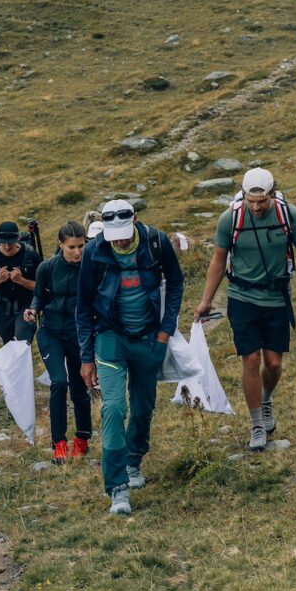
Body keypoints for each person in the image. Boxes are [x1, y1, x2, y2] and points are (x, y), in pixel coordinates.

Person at [193, 168, 296, 452]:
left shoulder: (291, 216)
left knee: (273, 363)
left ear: (273, 194)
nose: (256, 207)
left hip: (276, 296)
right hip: (242, 296)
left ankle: (265, 399)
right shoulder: (231, 219)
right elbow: (218, 260)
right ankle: (257, 425)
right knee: (250, 359)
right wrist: (206, 300)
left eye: (261, 201)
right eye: (251, 201)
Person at [76, 199, 184, 516]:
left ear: (135, 220)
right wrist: (86, 357)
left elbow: (176, 282)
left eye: (124, 233)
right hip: (110, 337)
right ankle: (117, 488)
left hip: (150, 338)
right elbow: (83, 308)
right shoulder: (94, 252)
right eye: (114, 235)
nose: (120, 240)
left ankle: (134, 458)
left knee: (142, 407)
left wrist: (166, 329)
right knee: (113, 408)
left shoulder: (155, 241)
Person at [24, 221, 92, 464]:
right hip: (51, 332)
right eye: (72, 247)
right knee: (59, 383)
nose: (77, 252)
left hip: (78, 334)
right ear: (61, 244)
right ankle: (59, 444)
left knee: (78, 385)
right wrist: (32, 310)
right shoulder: (47, 268)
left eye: (81, 246)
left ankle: (82, 439)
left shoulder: (91, 266)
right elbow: (38, 297)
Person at [0, 221, 41, 345]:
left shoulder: (31, 255)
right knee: (8, 344)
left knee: (21, 341)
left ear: (18, 238)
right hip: (2, 306)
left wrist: (21, 281)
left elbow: (43, 286)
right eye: (3, 242)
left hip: (26, 303)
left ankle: (22, 362)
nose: (7, 247)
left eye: (10, 242)